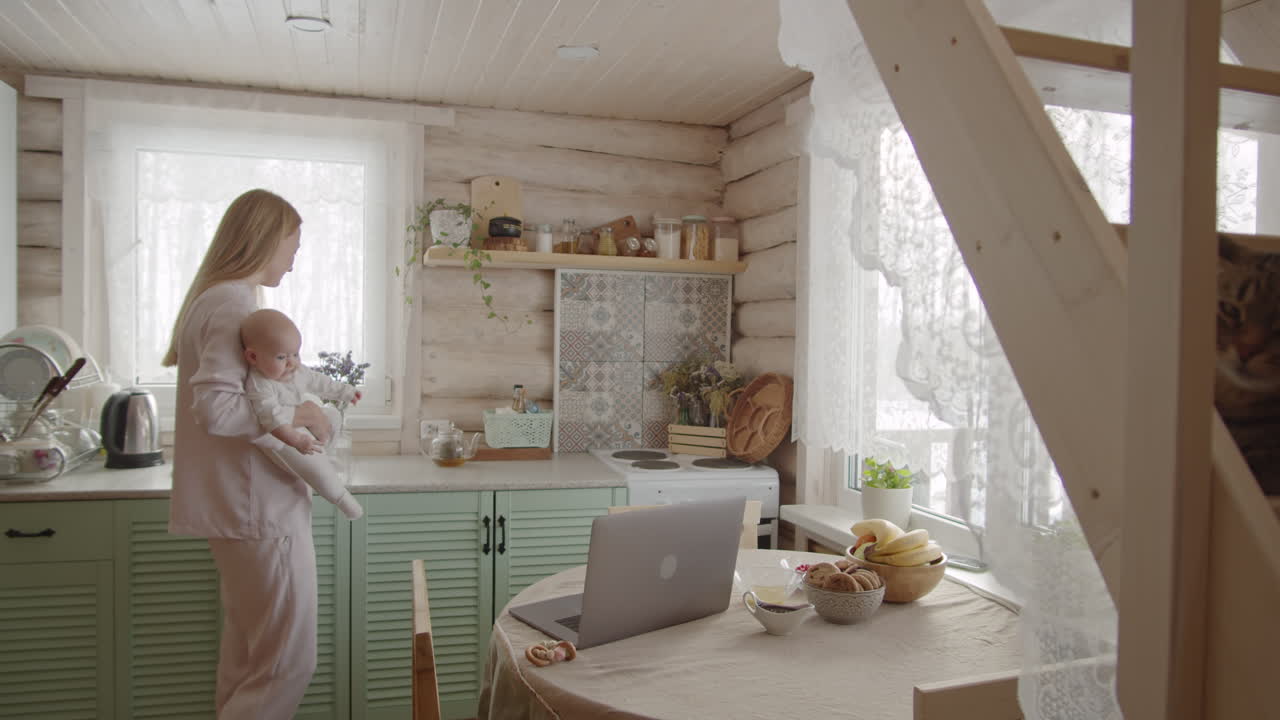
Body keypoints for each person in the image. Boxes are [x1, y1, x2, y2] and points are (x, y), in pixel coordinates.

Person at [163, 188, 349, 719]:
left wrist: (301, 411)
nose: (295, 258)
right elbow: (219, 411)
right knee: (285, 665)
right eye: (293, 243)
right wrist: (300, 419)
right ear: (266, 239)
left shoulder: (221, 299)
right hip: (258, 512)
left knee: (248, 661)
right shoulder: (232, 303)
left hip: (240, 510)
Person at [240, 307, 363, 521]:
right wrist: (296, 440)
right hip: (285, 432)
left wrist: (346, 391)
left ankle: (328, 454)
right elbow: (272, 418)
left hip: (305, 422)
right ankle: (340, 497)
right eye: (281, 357)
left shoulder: (296, 371)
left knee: (332, 414)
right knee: (308, 462)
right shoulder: (260, 384)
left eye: (295, 354)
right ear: (253, 357)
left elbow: (319, 382)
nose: (292, 363)